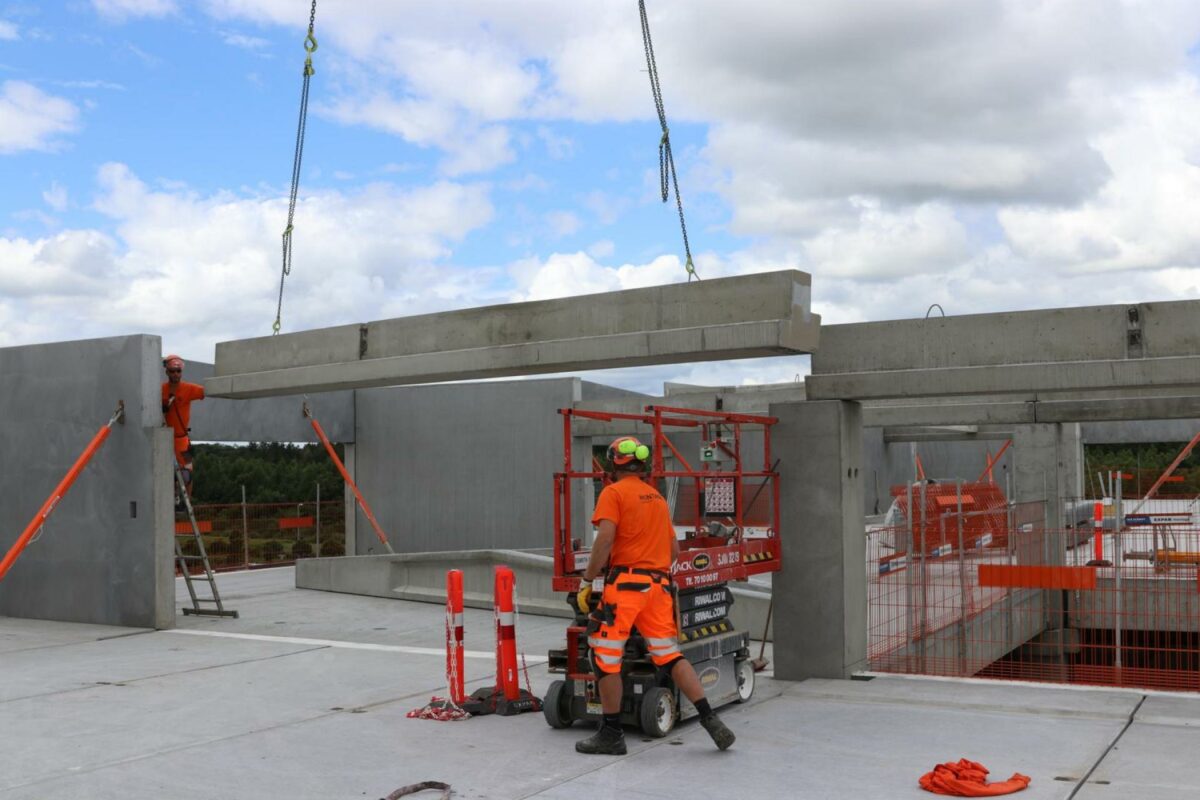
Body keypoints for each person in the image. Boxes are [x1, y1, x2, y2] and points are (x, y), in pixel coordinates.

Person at [574, 435, 736, 755]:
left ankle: (611, 733)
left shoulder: (613, 493)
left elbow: (604, 540)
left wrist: (587, 580)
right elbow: (673, 549)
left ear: (612, 464)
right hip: (659, 588)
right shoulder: (656, 498)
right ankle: (710, 718)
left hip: (626, 588)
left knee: (604, 657)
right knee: (670, 655)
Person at [161, 354, 204, 500]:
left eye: (178, 371)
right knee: (166, 473)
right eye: (172, 371)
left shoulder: (188, 389)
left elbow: (207, 391)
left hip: (182, 440)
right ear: (166, 371)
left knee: (187, 473)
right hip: (164, 439)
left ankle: (187, 502)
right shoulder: (160, 390)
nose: (175, 374)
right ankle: (172, 499)